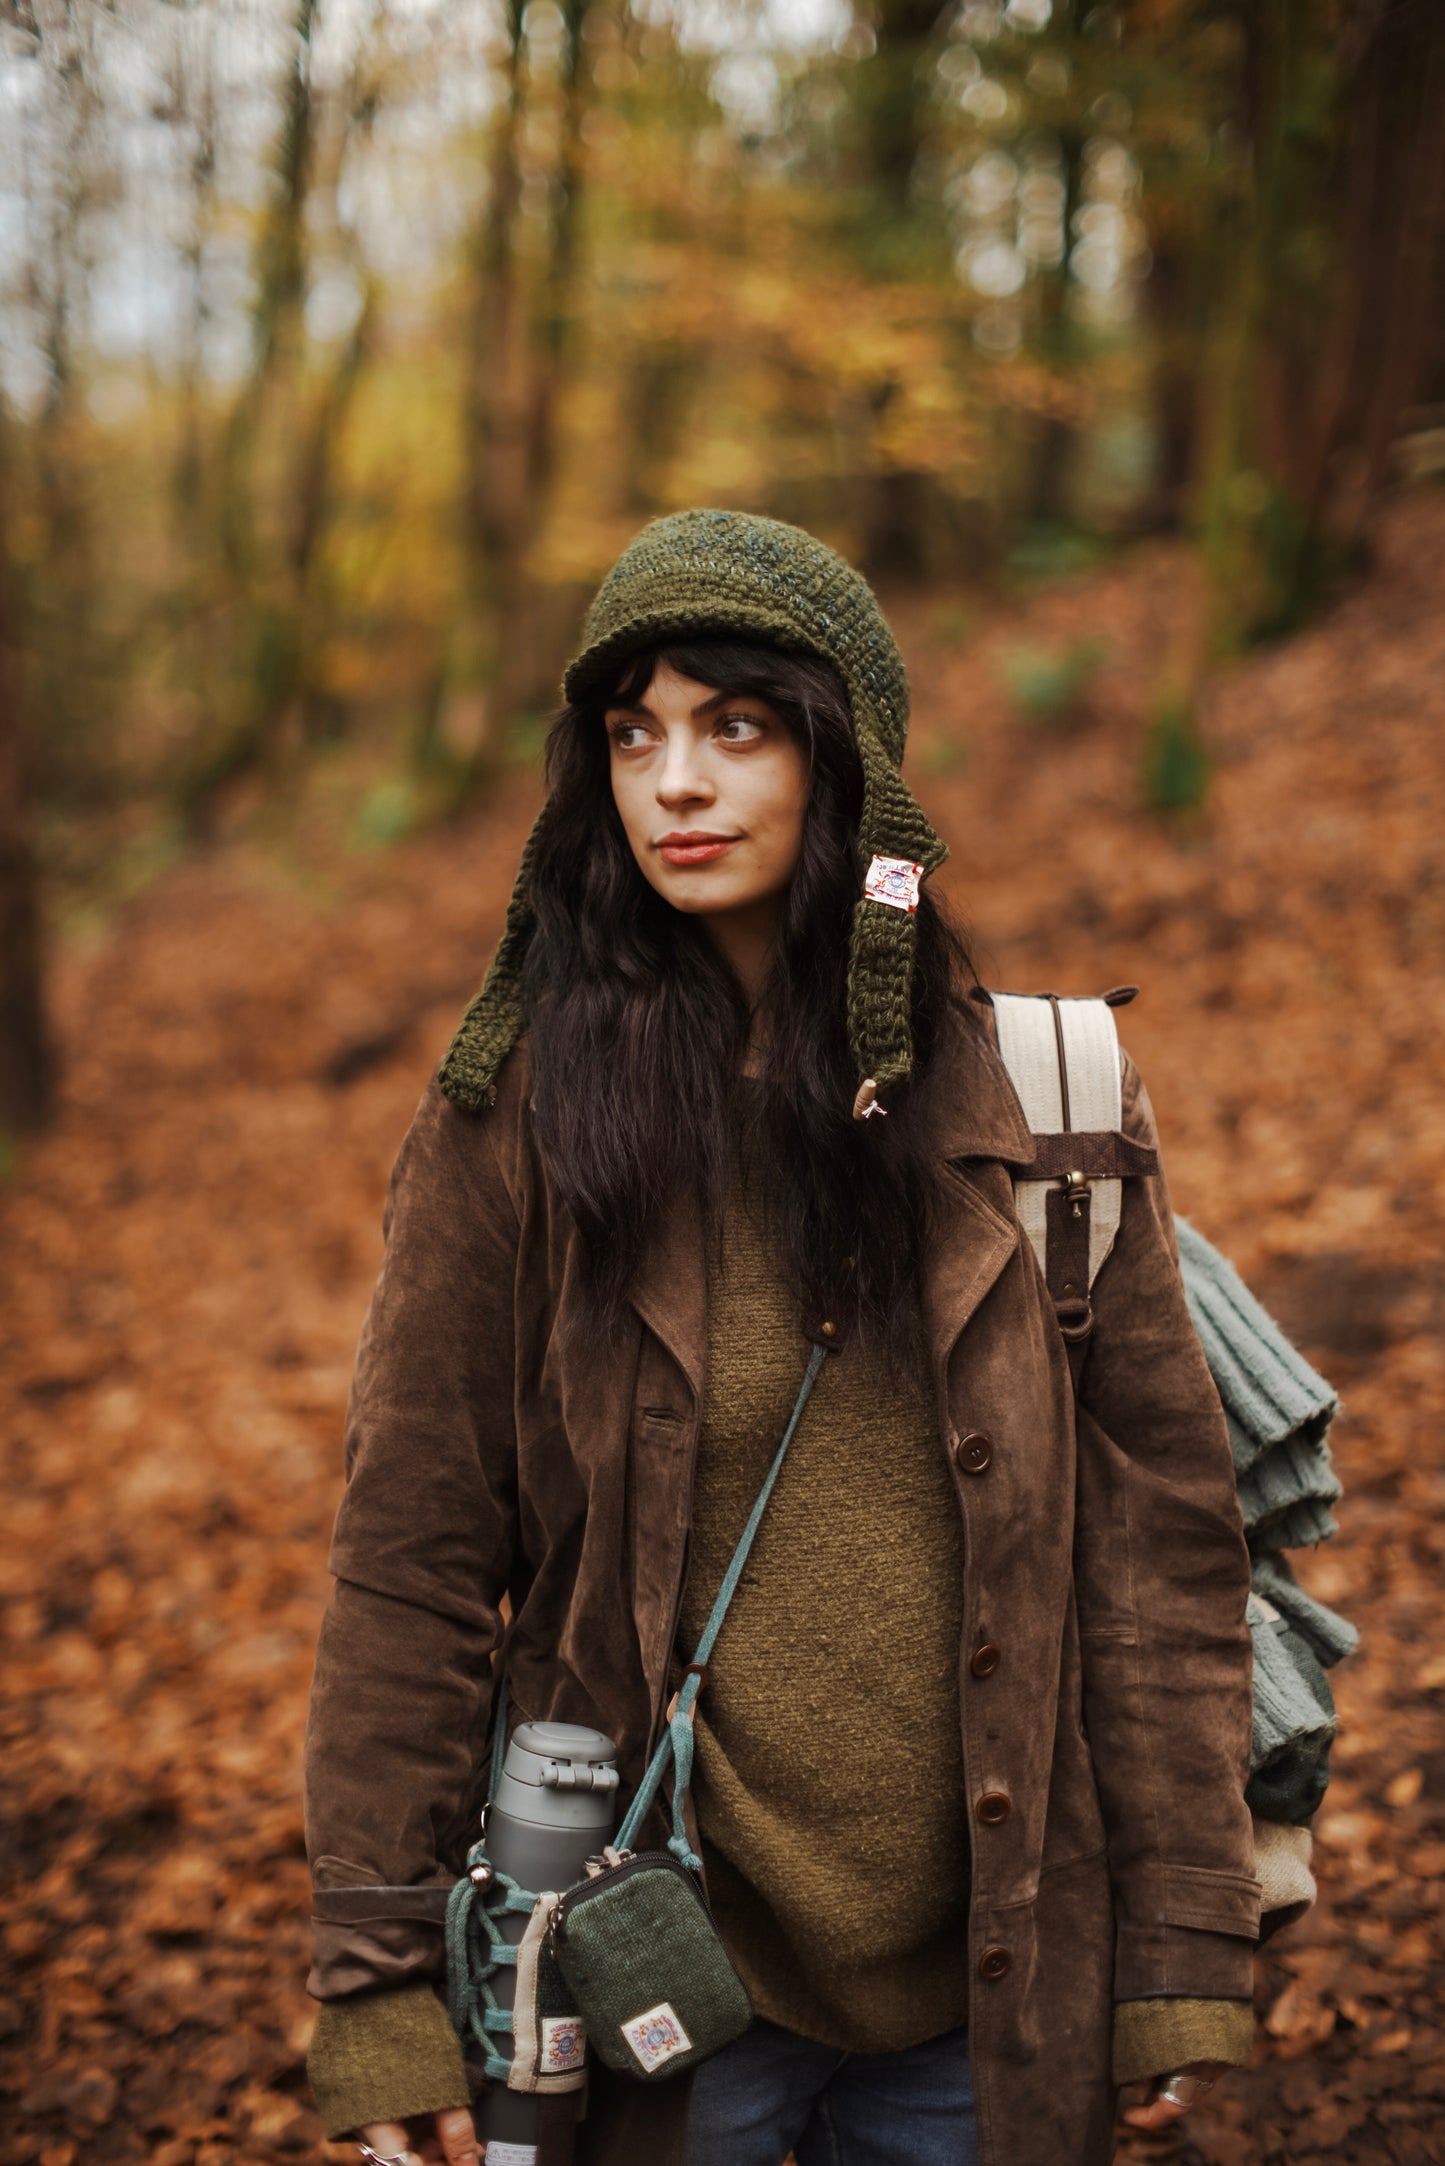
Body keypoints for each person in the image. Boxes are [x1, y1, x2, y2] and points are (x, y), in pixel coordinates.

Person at [303, 509, 1261, 2166]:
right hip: (655, 1972)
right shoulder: (513, 1123)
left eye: (733, 725)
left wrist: (1174, 1956)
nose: (673, 780)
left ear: (846, 764)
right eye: (632, 734)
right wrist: (378, 1983)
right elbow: (410, 1559)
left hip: (993, 1987)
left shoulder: (1046, 1106)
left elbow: (1156, 1560)